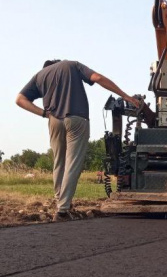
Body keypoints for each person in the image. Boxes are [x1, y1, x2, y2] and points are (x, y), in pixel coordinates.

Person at [16, 59, 140, 221]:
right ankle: (62, 210)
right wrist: (125, 96)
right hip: (76, 118)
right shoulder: (71, 65)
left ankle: (61, 203)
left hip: (53, 120)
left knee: (59, 163)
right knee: (72, 163)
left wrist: (44, 113)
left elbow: (20, 99)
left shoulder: (40, 76)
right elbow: (97, 78)